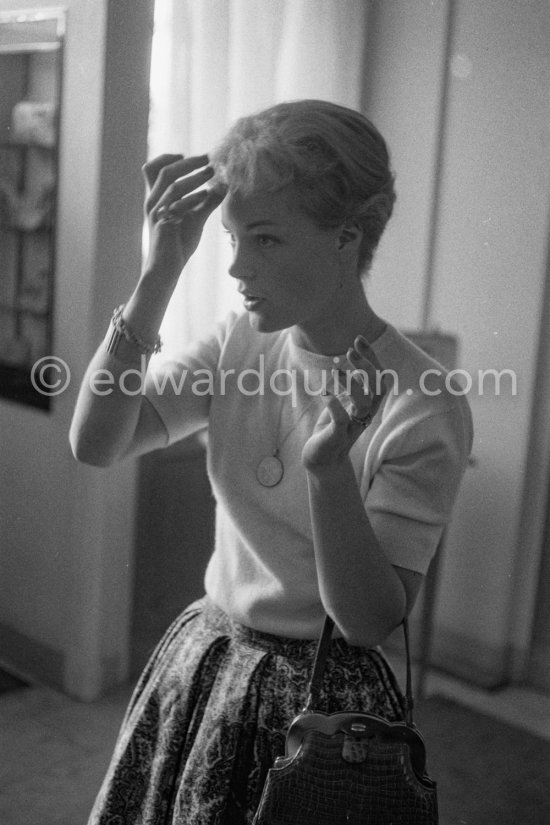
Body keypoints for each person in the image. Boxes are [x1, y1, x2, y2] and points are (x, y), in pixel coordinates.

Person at [70, 99, 473, 825]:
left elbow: (366, 620)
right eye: (231, 236)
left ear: (346, 238)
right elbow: (97, 442)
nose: (236, 266)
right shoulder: (239, 344)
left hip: (323, 709)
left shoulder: (425, 402)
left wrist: (328, 470)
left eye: (265, 239)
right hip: (207, 664)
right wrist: (160, 268)